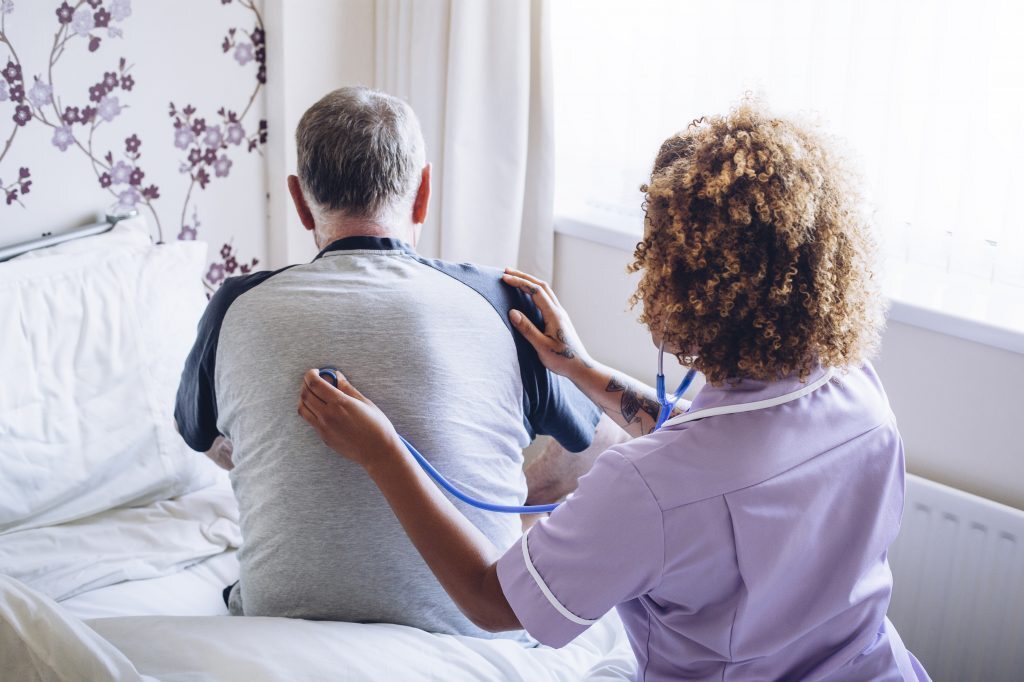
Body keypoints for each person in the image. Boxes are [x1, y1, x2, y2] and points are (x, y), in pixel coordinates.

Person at [297, 102, 932, 680]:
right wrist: (583, 370)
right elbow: (731, 449)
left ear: (680, 279)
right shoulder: (861, 396)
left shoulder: (646, 488)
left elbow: (493, 601)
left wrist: (382, 453)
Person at [173, 86, 613, 639]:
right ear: (424, 192)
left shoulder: (233, 307)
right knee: (590, 442)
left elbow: (200, 436)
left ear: (300, 201)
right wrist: (505, 499)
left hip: (276, 628)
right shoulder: (507, 303)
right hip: (470, 631)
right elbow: (592, 451)